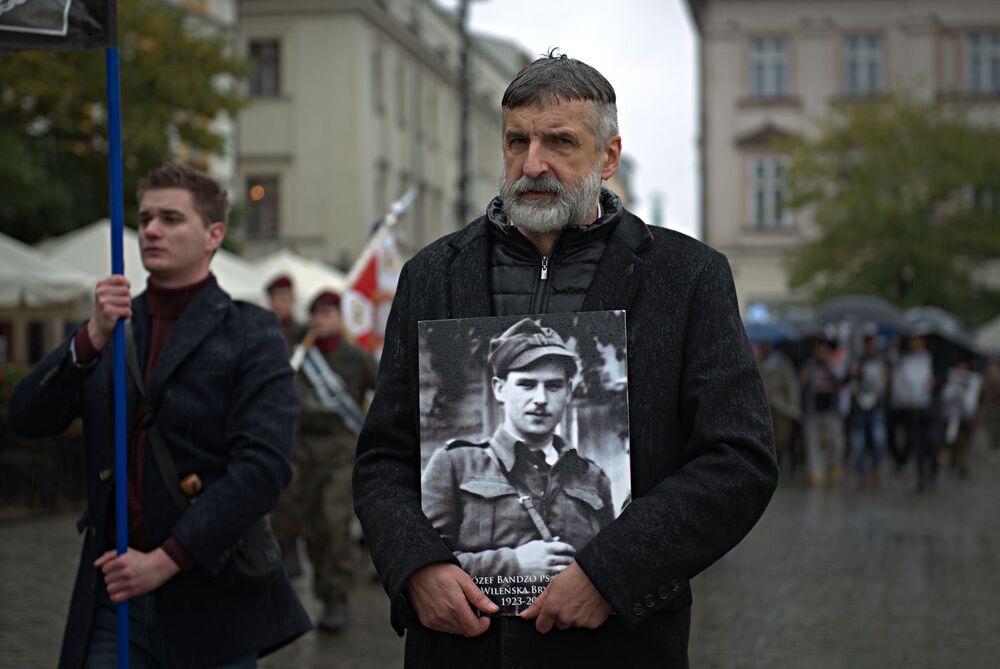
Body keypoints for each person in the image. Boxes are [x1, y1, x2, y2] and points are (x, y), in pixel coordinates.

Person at [353, 52, 777, 669]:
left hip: (616, 646)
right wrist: (416, 567)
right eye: (517, 141)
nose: (532, 164)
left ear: (607, 157)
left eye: (559, 142)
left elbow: (739, 458)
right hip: (462, 648)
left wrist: (611, 573)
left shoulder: (686, 278)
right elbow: (384, 457)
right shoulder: (433, 275)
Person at [6, 164, 311, 668]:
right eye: (146, 218)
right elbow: (26, 417)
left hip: (208, 592)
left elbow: (263, 467)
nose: (150, 229)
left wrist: (168, 558)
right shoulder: (114, 327)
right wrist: (89, 339)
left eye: (171, 218)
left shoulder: (249, 331)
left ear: (213, 235)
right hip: (113, 593)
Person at [421, 318, 614, 588]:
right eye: (526, 384)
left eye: (553, 386)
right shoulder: (455, 465)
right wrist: (512, 564)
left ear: (568, 392)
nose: (540, 399)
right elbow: (425, 568)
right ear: (500, 389)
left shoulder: (592, 478)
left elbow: (611, 569)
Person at [273, 290, 377, 632]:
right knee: (311, 527)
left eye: (329, 313)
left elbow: (385, 389)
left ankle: (337, 598)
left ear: (340, 318)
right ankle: (322, 589)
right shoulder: (299, 356)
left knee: (334, 524)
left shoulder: (355, 357)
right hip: (302, 452)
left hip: (340, 452)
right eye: (317, 314)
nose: (322, 320)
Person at [264, 274, 309, 578]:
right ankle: (287, 549)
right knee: (283, 496)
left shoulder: (307, 334)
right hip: (273, 426)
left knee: (311, 497)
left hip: (307, 429)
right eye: (277, 297)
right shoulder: (262, 331)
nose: (282, 302)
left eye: (286, 296)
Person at [890, 334, 937, 491]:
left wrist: (935, 383)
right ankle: (921, 475)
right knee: (916, 444)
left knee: (931, 442)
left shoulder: (932, 359)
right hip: (911, 408)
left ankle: (932, 470)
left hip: (928, 408)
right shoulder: (904, 360)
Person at [800, 338, 846, 487]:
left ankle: (834, 466)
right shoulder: (809, 365)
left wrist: (832, 367)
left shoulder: (834, 364)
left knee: (836, 443)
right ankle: (816, 474)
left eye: (824, 350)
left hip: (832, 411)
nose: (821, 353)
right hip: (812, 411)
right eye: (818, 349)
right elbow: (801, 382)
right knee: (813, 444)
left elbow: (843, 381)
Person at [848, 333, 889, 490]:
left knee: (879, 440)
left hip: (877, 407)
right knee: (858, 444)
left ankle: (875, 468)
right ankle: (862, 474)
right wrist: (853, 374)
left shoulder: (883, 360)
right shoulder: (857, 360)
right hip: (859, 409)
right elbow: (847, 381)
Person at [755, 341, 801, 471]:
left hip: (781, 407)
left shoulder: (783, 363)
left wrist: (794, 406)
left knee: (781, 438)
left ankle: (778, 461)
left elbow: (791, 385)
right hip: (762, 406)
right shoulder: (756, 360)